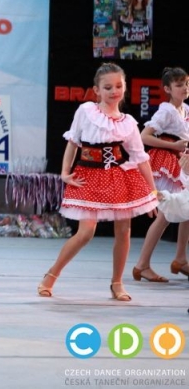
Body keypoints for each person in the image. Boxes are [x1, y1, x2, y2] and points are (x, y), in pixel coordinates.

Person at [38, 63, 158, 301]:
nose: (114, 91)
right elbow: (73, 141)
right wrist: (65, 172)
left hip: (118, 176)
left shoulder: (128, 122)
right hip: (89, 175)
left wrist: (152, 192)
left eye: (118, 86)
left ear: (125, 87)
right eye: (108, 87)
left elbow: (140, 158)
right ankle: (51, 275)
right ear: (97, 90)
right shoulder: (86, 111)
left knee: (123, 231)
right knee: (85, 232)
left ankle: (117, 283)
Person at [132, 67, 189, 282]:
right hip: (166, 162)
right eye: (179, 85)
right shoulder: (166, 111)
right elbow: (144, 136)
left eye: (187, 84)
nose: (185, 88)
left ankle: (180, 258)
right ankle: (142, 265)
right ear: (167, 89)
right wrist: (174, 145)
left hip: (180, 162)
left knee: (187, 209)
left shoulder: (185, 109)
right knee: (165, 214)